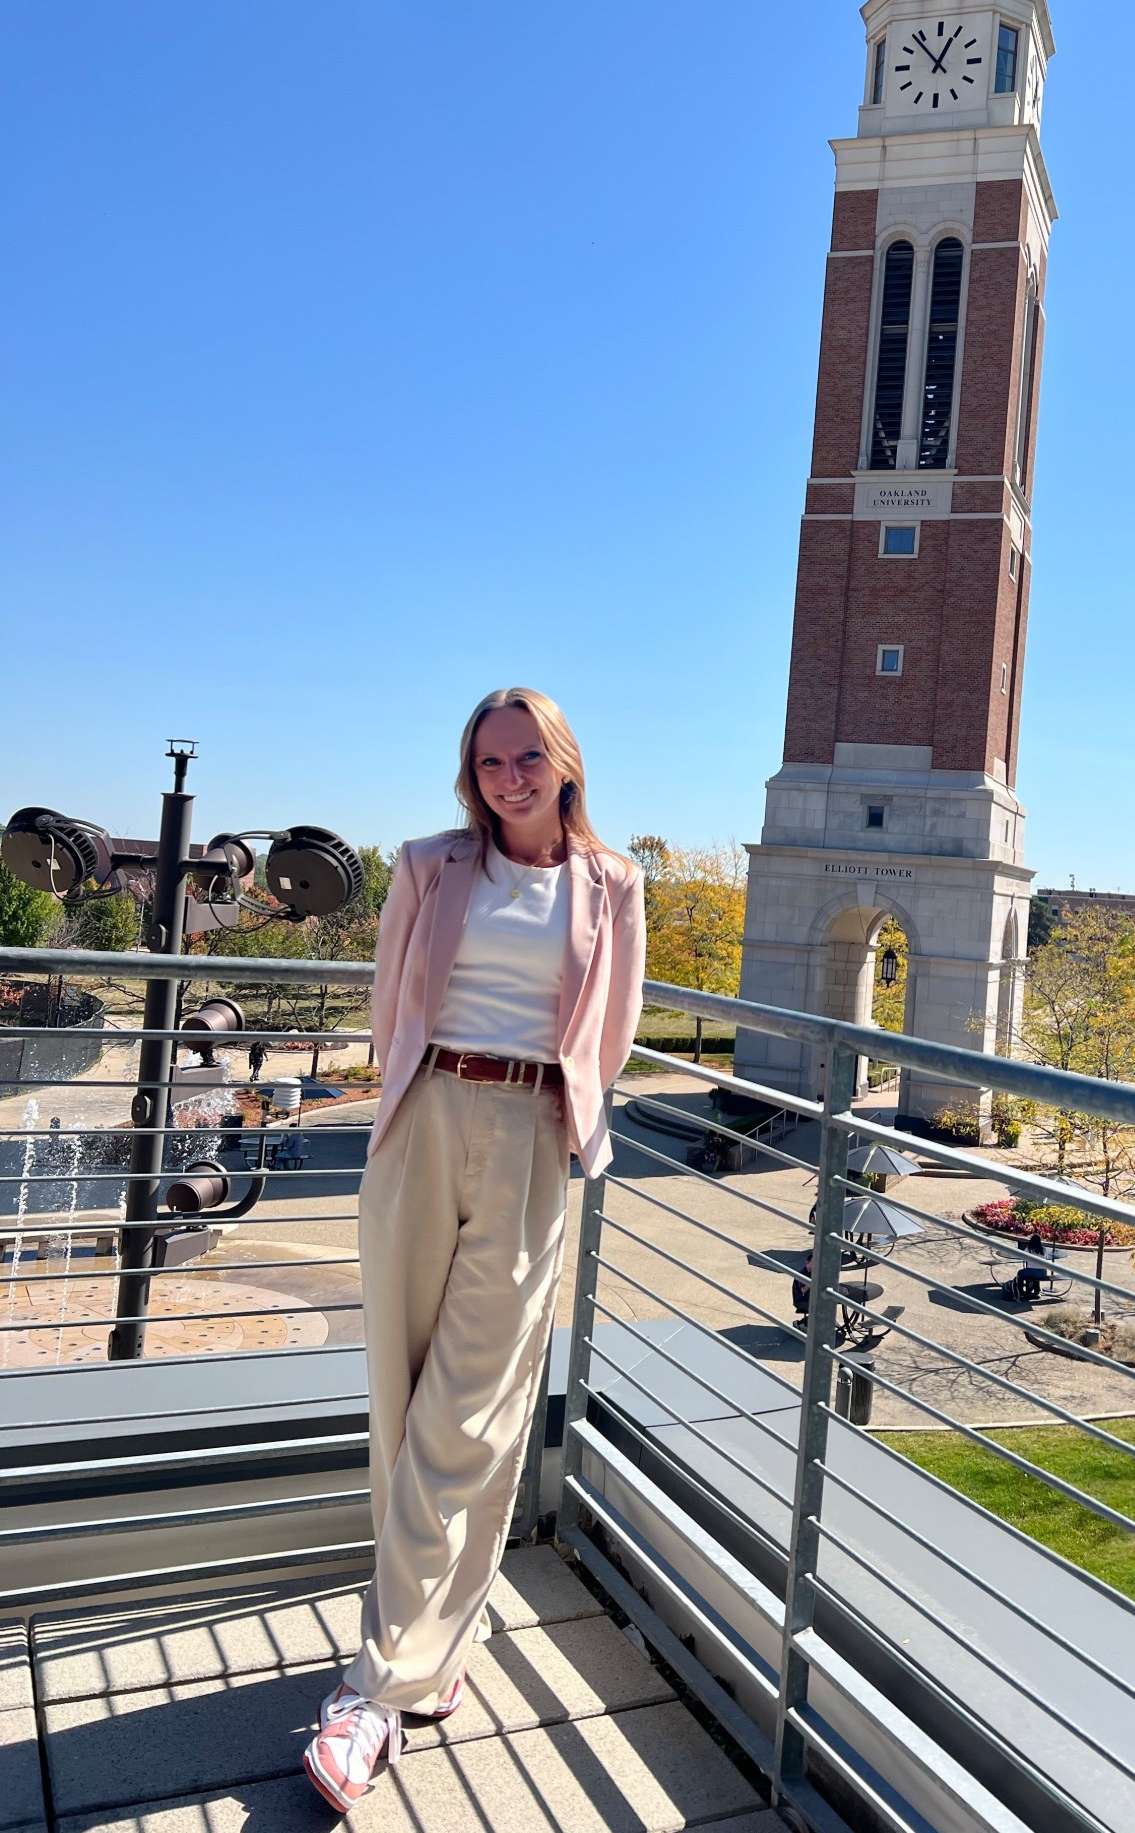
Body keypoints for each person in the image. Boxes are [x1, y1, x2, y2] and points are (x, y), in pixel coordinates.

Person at [302, 688, 645, 1812]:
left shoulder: (614, 883)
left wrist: (565, 1121)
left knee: (473, 1409)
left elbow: (614, 1027)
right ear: (472, 773)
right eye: (490, 761)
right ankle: (437, 1645)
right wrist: (412, 1105)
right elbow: (391, 999)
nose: (509, 777)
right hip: (423, 1120)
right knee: (402, 1395)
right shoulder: (428, 865)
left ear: (564, 763)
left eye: (527, 757)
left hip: (534, 1136)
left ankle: (371, 1688)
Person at [1013, 1229, 1048, 1305]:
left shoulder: (1028, 1249)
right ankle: (1036, 1292)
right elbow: (1046, 1259)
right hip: (1042, 1273)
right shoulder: (1044, 1250)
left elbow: (1023, 1257)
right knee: (1036, 1274)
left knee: (1020, 1274)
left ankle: (1021, 1292)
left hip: (1031, 1271)